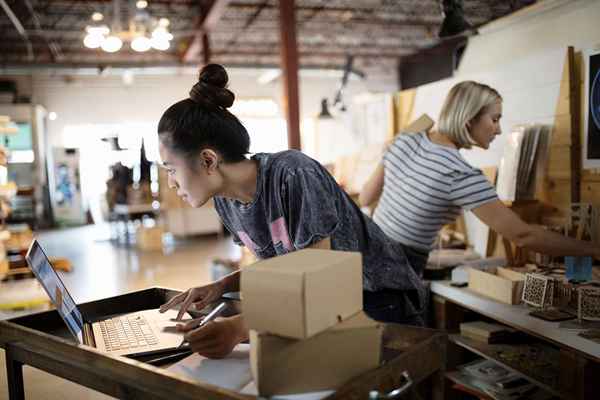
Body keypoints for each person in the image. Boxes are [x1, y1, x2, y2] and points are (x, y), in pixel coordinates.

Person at [156, 64, 427, 359]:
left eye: (171, 169)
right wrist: (221, 286)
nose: (170, 182)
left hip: (376, 299)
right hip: (326, 306)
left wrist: (237, 329)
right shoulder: (225, 201)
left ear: (208, 160)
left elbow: (319, 282)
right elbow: (284, 267)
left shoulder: (293, 174)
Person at [359, 80, 600, 266]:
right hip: (399, 270)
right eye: (494, 119)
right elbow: (523, 235)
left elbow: (366, 197)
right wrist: (593, 249)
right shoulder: (460, 174)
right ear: (468, 119)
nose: (498, 129)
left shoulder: (408, 136)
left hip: (367, 254)